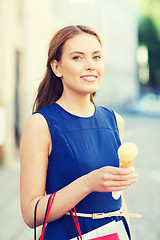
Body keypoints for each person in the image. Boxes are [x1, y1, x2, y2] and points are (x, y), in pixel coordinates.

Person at [20, 25, 137, 239]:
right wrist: (88, 183)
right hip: (67, 234)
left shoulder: (114, 120)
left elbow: (118, 198)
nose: (90, 66)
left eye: (96, 57)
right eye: (77, 58)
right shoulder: (40, 124)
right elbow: (30, 213)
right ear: (57, 67)